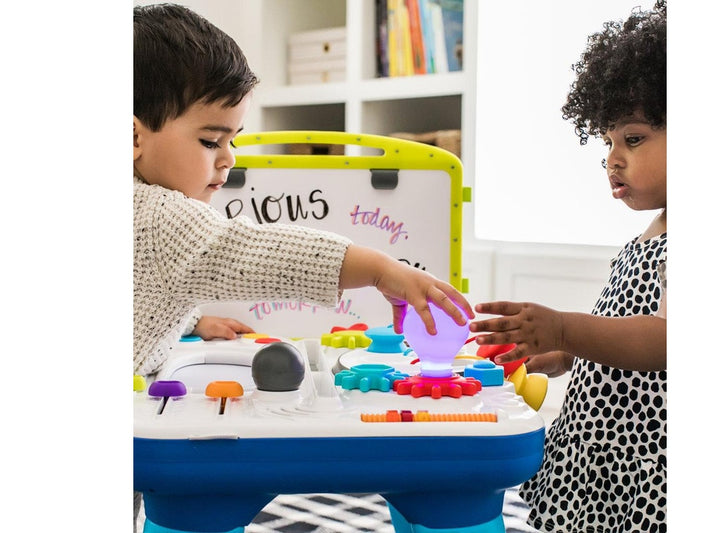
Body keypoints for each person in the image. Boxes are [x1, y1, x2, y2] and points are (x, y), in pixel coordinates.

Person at [133, 2, 473, 529]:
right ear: (131, 137)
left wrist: (192, 319)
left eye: (233, 140)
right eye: (210, 141)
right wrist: (380, 268)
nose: (228, 160)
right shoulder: (161, 213)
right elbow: (259, 253)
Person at [468, 2, 666, 532]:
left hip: (640, 467)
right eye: (607, 143)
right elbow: (623, 337)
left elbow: (666, 342)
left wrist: (562, 326)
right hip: (604, 452)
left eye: (634, 138)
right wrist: (561, 351)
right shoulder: (652, 233)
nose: (613, 159)